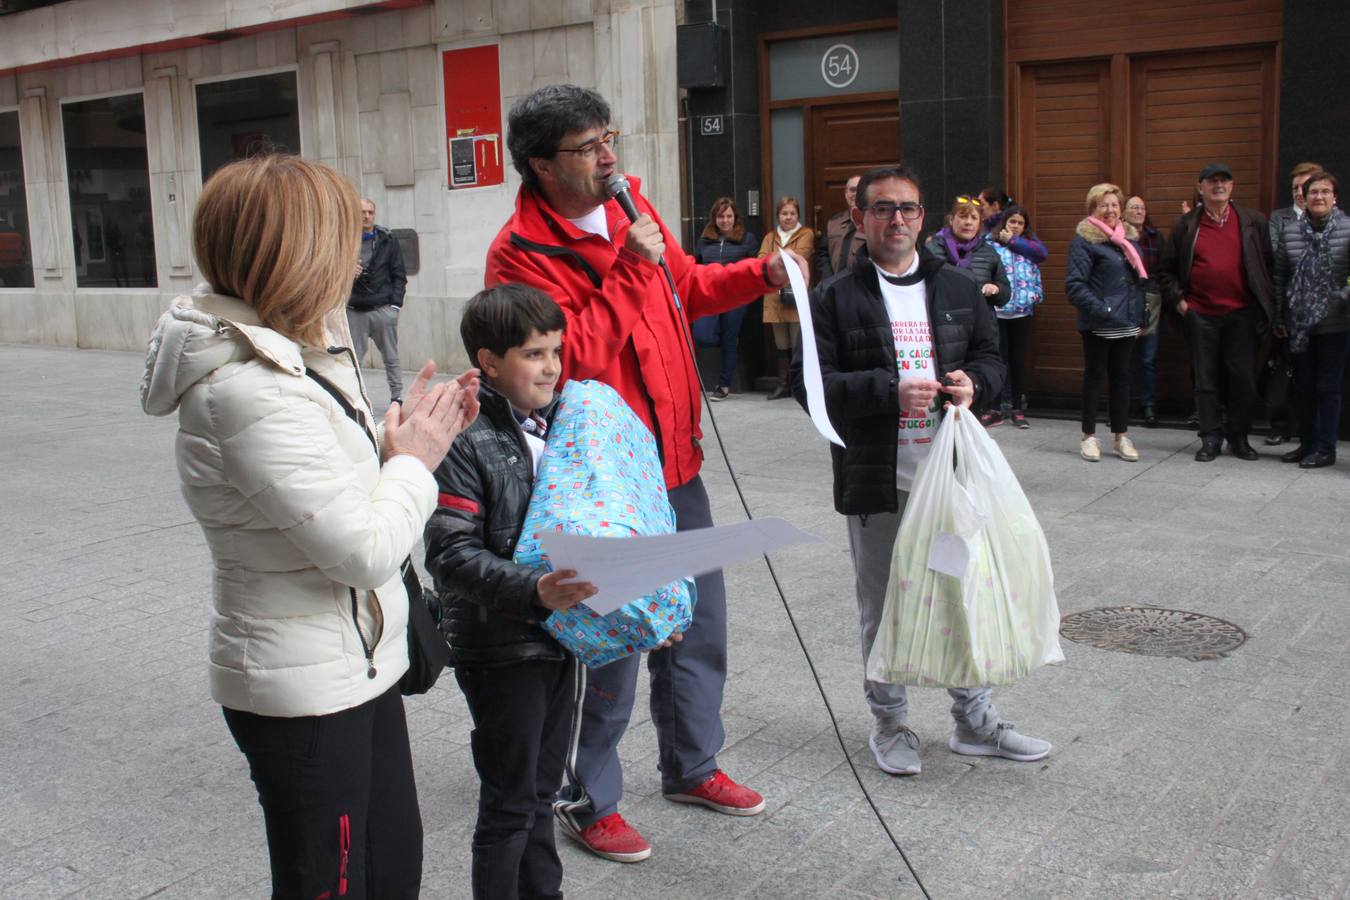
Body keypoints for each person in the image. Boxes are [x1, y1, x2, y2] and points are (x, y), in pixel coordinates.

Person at [483, 83, 808, 863]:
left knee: (696, 623)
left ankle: (691, 765)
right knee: (614, 640)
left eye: (610, 138)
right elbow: (568, 359)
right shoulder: (518, 253)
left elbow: (685, 285)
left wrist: (760, 275)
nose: (609, 157)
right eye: (588, 146)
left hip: (675, 460)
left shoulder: (636, 208)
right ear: (539, 164)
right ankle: (589, 797)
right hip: (605, 486)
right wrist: (630, 267)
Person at [139, 155, 480, 899]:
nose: (357, 259)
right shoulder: (247, 386)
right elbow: (362, 550)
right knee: (330, 885)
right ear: (297, 257)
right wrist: (416, 464)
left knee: (392, 871)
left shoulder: (299, 347)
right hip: (304, 689)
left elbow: (330, 496)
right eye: (342, 242)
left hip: (359, 665)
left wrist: (392, 449)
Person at [791, 164, 1050, 778]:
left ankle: (974, 721)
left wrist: (975, 384)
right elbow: (812, 388)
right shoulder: (835, 298)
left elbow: (994, 359)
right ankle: (890, 723)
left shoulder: (958, 287)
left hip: (951, 475)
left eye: (907, 208)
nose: (897, 220)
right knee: (883, 607)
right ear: (861, 218)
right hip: (878, 479)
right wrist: (888, 390)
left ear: (922, 216)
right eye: (883, 209)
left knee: (962, 596)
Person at [424, 284, 600, 898]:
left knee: (542, 793)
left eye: (556, 351)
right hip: (500, 647)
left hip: (559, 639)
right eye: (533, 354)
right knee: (509, 802)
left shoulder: (566, 423)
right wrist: (534, 592)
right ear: (489, 361)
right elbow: (449, 553)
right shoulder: (464, 435)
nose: (551, 366)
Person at [1158, 163, 1273, 462]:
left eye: (1224, 181)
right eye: (1211, 182)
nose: (1218, 186)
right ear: (1200, 188)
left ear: (1232, 187)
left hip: (1243, 315)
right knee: (1205, 380)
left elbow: (1269, 266)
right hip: (1201, 315)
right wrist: (1182, 304)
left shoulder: (1253, 222)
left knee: (1242, 379)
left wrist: (1265, 306)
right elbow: (1166, 271)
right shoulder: (1186, 225)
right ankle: (1210, 437)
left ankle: (1239, 437)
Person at [1272, 171, 1350, 469]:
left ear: (1334, 197)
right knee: (1303, 387)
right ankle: (1306, 444)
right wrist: (1280, 315)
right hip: (1299, 325)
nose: (1319, 197)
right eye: (1313, 192)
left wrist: (1341, 297)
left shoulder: (1347, 228)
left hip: (1336, 324)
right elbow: (1280, 276)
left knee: (1328, 388)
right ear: (1303, 198)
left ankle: (1326, 448)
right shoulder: (1291, 231)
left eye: (1324, 192)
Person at [1065, 183, 1148, 463]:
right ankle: (1089, 436)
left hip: (1125, 322)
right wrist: (1103, 310)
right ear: (1093, 209)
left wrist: (1139, 316)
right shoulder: (1084, 241)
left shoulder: (1128, 239)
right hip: (1099, 323)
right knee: (1094, 378)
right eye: (1104, 205)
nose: (1110, 210)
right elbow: (1075, 286)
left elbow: (1136, 284)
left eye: (1114, 204)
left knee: (1122, 380)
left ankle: (1121, 437)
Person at [1265, 162, 1323, 447]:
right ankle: (1280, 425)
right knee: (1285, 370)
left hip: (1325, 311)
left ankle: (1313, 432)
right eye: (1295, 189)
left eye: (1305, 187)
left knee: (1319, 376)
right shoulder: (1280, 219)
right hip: (1289, 306)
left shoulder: (1333, 221)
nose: (1300, 193)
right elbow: (1277, 256)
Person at [691, 197, 759, 400]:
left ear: (735, 218)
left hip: (735, 297)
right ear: (714, 218)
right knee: (702, 336)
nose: (725, 220)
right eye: (721, 216)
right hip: (710, 295)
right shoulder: (705, 240)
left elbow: (753, 267)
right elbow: (696, 264)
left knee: (729, 341)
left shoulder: (747, 239)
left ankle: (724, 385)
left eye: (729, 216)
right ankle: (725, 337)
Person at [986, 203, 1046, 428]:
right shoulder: (992, 245)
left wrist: (1036, 296)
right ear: (1004, 223)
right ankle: (994, 407)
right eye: (1012, 222)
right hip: (998, 311)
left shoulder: (1029, 247)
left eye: (1020, 223)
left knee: (1018, 360)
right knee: (997, 360)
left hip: (1022, 312)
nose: (1016, 226)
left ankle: (1018, 408)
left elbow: (1038, 266)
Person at [347, 198, 408, 403]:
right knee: (353, 360)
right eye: (362, 212)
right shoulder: (344, 240)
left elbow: (399, 273)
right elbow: (328, 275)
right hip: (354, 310)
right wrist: (346, 272)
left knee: (391, 357)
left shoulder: (387, 239)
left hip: (383, 309)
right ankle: (354, 398)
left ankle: (397, 397)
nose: (366, 216)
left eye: (370, 212)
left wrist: (395, 306)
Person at [758, 195, 815, 399]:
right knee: (781, 343)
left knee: (798, 341)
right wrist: (783, 257)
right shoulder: (769, 236)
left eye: (792, 213)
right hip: (774, 296)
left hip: (795, 294)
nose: (788, 217)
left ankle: (801, 385)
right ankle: (783, 384)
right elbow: (760, 259)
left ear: (797, 215)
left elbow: (801, 255)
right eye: (784, 213)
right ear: (778, 216)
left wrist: (775, 260)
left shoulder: (806, 233)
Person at [1124, 195, 1163, 427]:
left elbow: (1165, 268)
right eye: (1134, 207)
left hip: (1151, 299)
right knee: (1124, 357)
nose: (1139, 211)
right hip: (1126, 301)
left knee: (1149, 357)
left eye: (1142, 208)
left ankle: (1149, 405)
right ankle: (1122, 405)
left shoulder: (1155, 237)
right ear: (1124, 212)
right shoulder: (1117, 237)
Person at [817, 173, 864, 282]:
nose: (856, 194)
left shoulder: (872, 223)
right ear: (846, 193)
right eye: (852, 190)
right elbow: (824, 254)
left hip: (861, 286)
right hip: (834, 285)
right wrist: (828, 280)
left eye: (860, 190)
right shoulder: (833, 222)